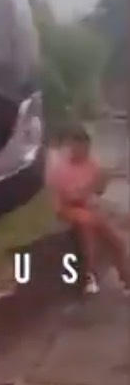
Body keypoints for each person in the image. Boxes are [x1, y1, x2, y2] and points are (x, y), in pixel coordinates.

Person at [45, 125, 130, 294]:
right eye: (79, 148)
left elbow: (97, 192)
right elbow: (64, 198)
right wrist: (88, 189)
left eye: (86, 148)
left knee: (116, 240)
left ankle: (125, 278)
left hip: (87, 208)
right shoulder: (60, 168)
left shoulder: (91, 165)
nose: (83, 152)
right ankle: (88, 276)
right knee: (87, 227)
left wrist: (102, 182)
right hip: (67, 208)